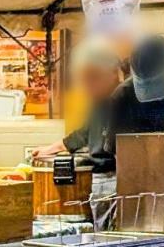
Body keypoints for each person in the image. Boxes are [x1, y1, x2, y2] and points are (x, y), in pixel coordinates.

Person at [32, 43, 127, 172]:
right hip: (98, 172)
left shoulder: (125, 98)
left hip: (113, 174)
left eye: (93, 77)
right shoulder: (98, 101)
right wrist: (53, 148)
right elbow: (85, 132)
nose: (87, 86)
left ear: (114, 73)